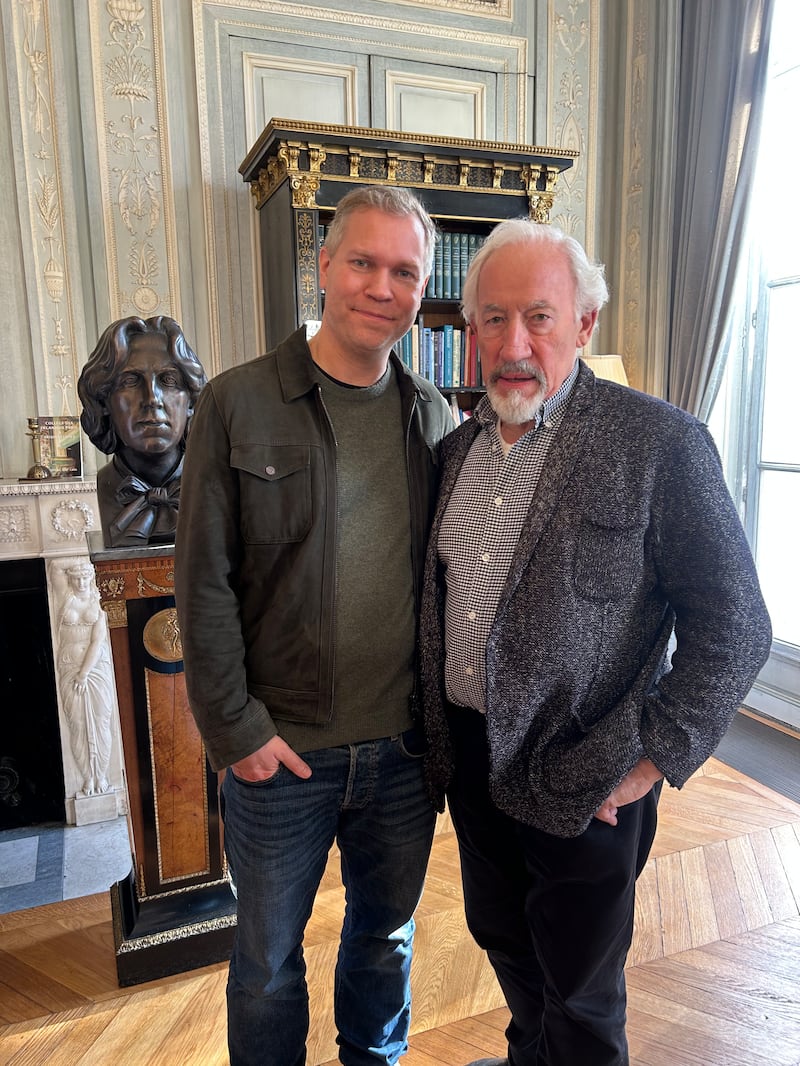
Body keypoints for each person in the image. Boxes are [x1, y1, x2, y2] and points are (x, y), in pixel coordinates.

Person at [419, 219, 772, 1066]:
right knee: (505, 942)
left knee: (580, 991)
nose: (514, 344)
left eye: (539, 317)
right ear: (471, 332)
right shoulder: (452, 452)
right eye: (494, 319)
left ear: (584, 324)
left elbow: (736, 624)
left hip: (588, 773)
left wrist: (652, 760)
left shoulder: (660, 444)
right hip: (472, 762)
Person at [174, 186, 453, 1066]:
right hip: (281, 755)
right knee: (265, 966)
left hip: (403, 756)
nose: (382, 287)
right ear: (324, 266)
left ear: (422, 289)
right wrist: (237, 733)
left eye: (404, 271)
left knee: (385, 941)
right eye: (363, 262)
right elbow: (202, 583)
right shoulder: (236, 403)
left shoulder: (434, 414)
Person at [77, 315, 208, 547]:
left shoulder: (213, 483)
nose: (152, 399)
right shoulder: (105, 485)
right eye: (130, 381)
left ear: (190, 401)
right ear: (104, 401)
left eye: (169, 380)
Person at [57, 560, 116, 796]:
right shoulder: (64, 597)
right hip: (70, 669)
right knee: (78, 724)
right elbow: (55, 565)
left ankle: (101, 775)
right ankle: (87, 777)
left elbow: (97, 641)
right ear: (70, 579)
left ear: (92, 577)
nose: (81, 582)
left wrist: (84, 673)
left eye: (85, 577)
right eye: (76, 578)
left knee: (101, 721)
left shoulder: (98, 602)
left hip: (95, 670)